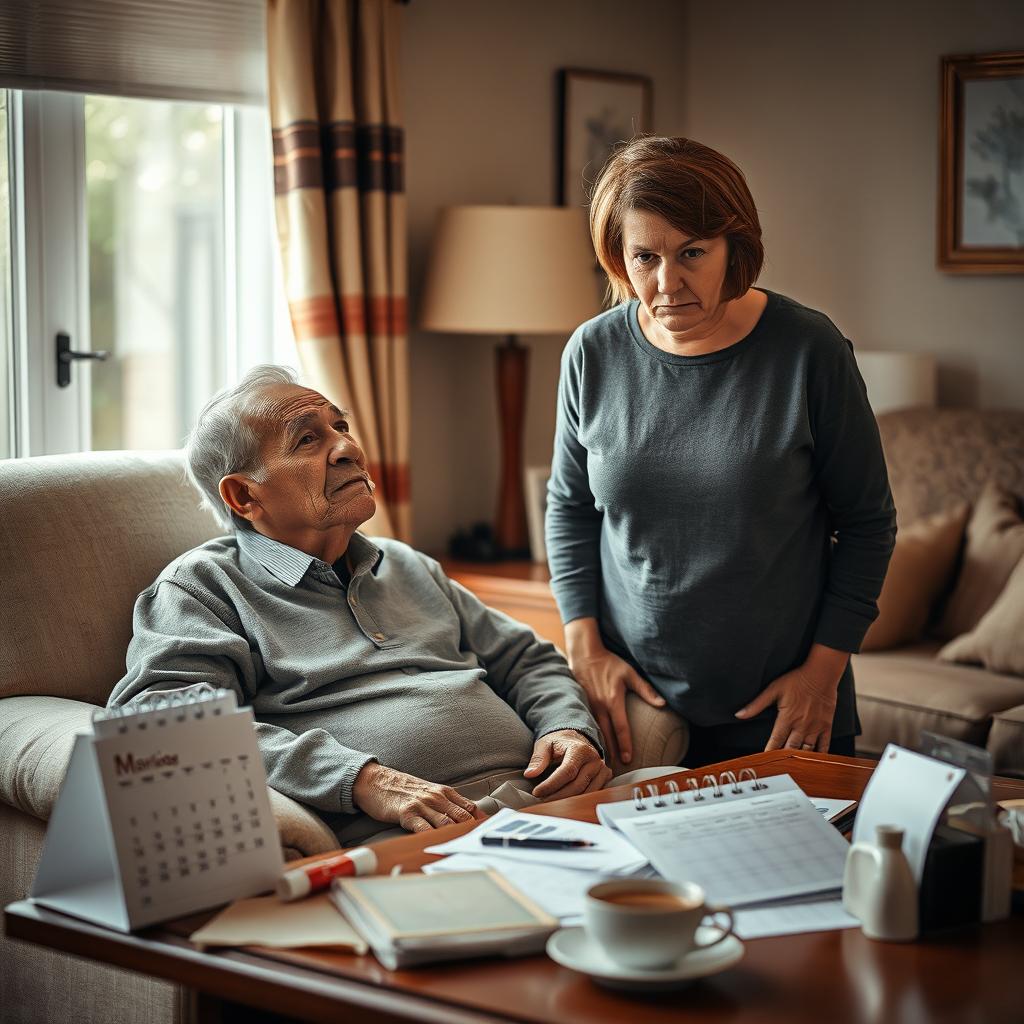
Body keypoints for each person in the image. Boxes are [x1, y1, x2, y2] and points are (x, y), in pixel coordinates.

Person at [109, 365, 613, 844]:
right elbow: (165, 723)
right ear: (243, 496)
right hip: (419, 834)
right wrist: (361, 780)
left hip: (552, 802)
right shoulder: (204, 587)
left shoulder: (406, 564)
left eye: (341, 426)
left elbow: (526, 658)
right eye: (308, 439)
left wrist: (567, 727)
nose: (348, 447)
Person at [546, 136, 896, 769]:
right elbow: (569, 507)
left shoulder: (808, 350)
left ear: (735, 246)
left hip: (784, 709)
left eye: (692, 253)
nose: (666, 283)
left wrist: (821, 678)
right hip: (636, 711)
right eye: (644, 256)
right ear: (617, 257)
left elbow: (868, 525)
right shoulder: (591, 353)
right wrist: (584, 647)